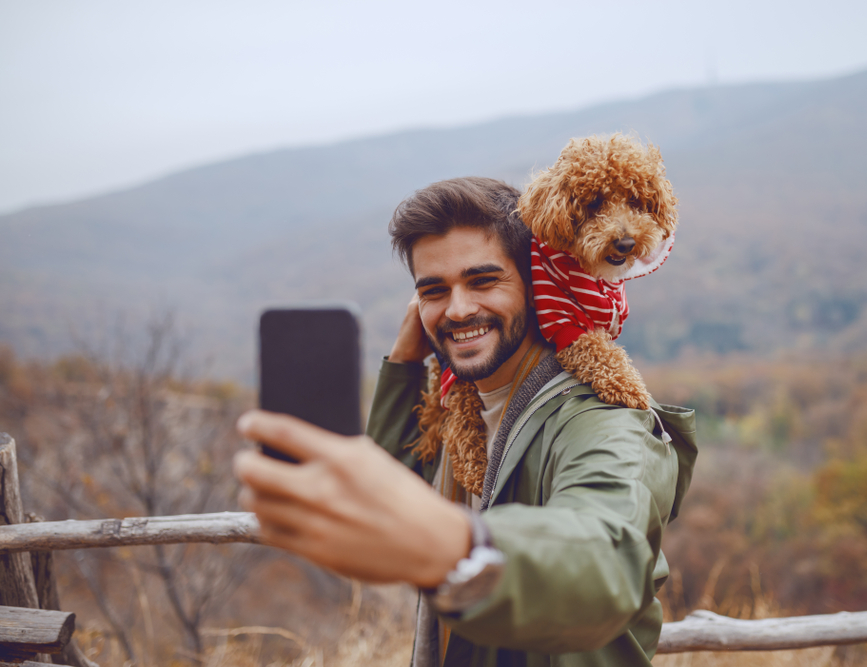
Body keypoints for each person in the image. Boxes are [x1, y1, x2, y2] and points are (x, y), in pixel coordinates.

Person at [234, 177, 696, 667]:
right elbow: (392, 486)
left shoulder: (599, 419)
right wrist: (408, 361)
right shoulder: (463, 408)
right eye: (434, 291)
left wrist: (458, 547)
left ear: (536, 284)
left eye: (483, 280)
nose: (457, 309)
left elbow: (605, 563)